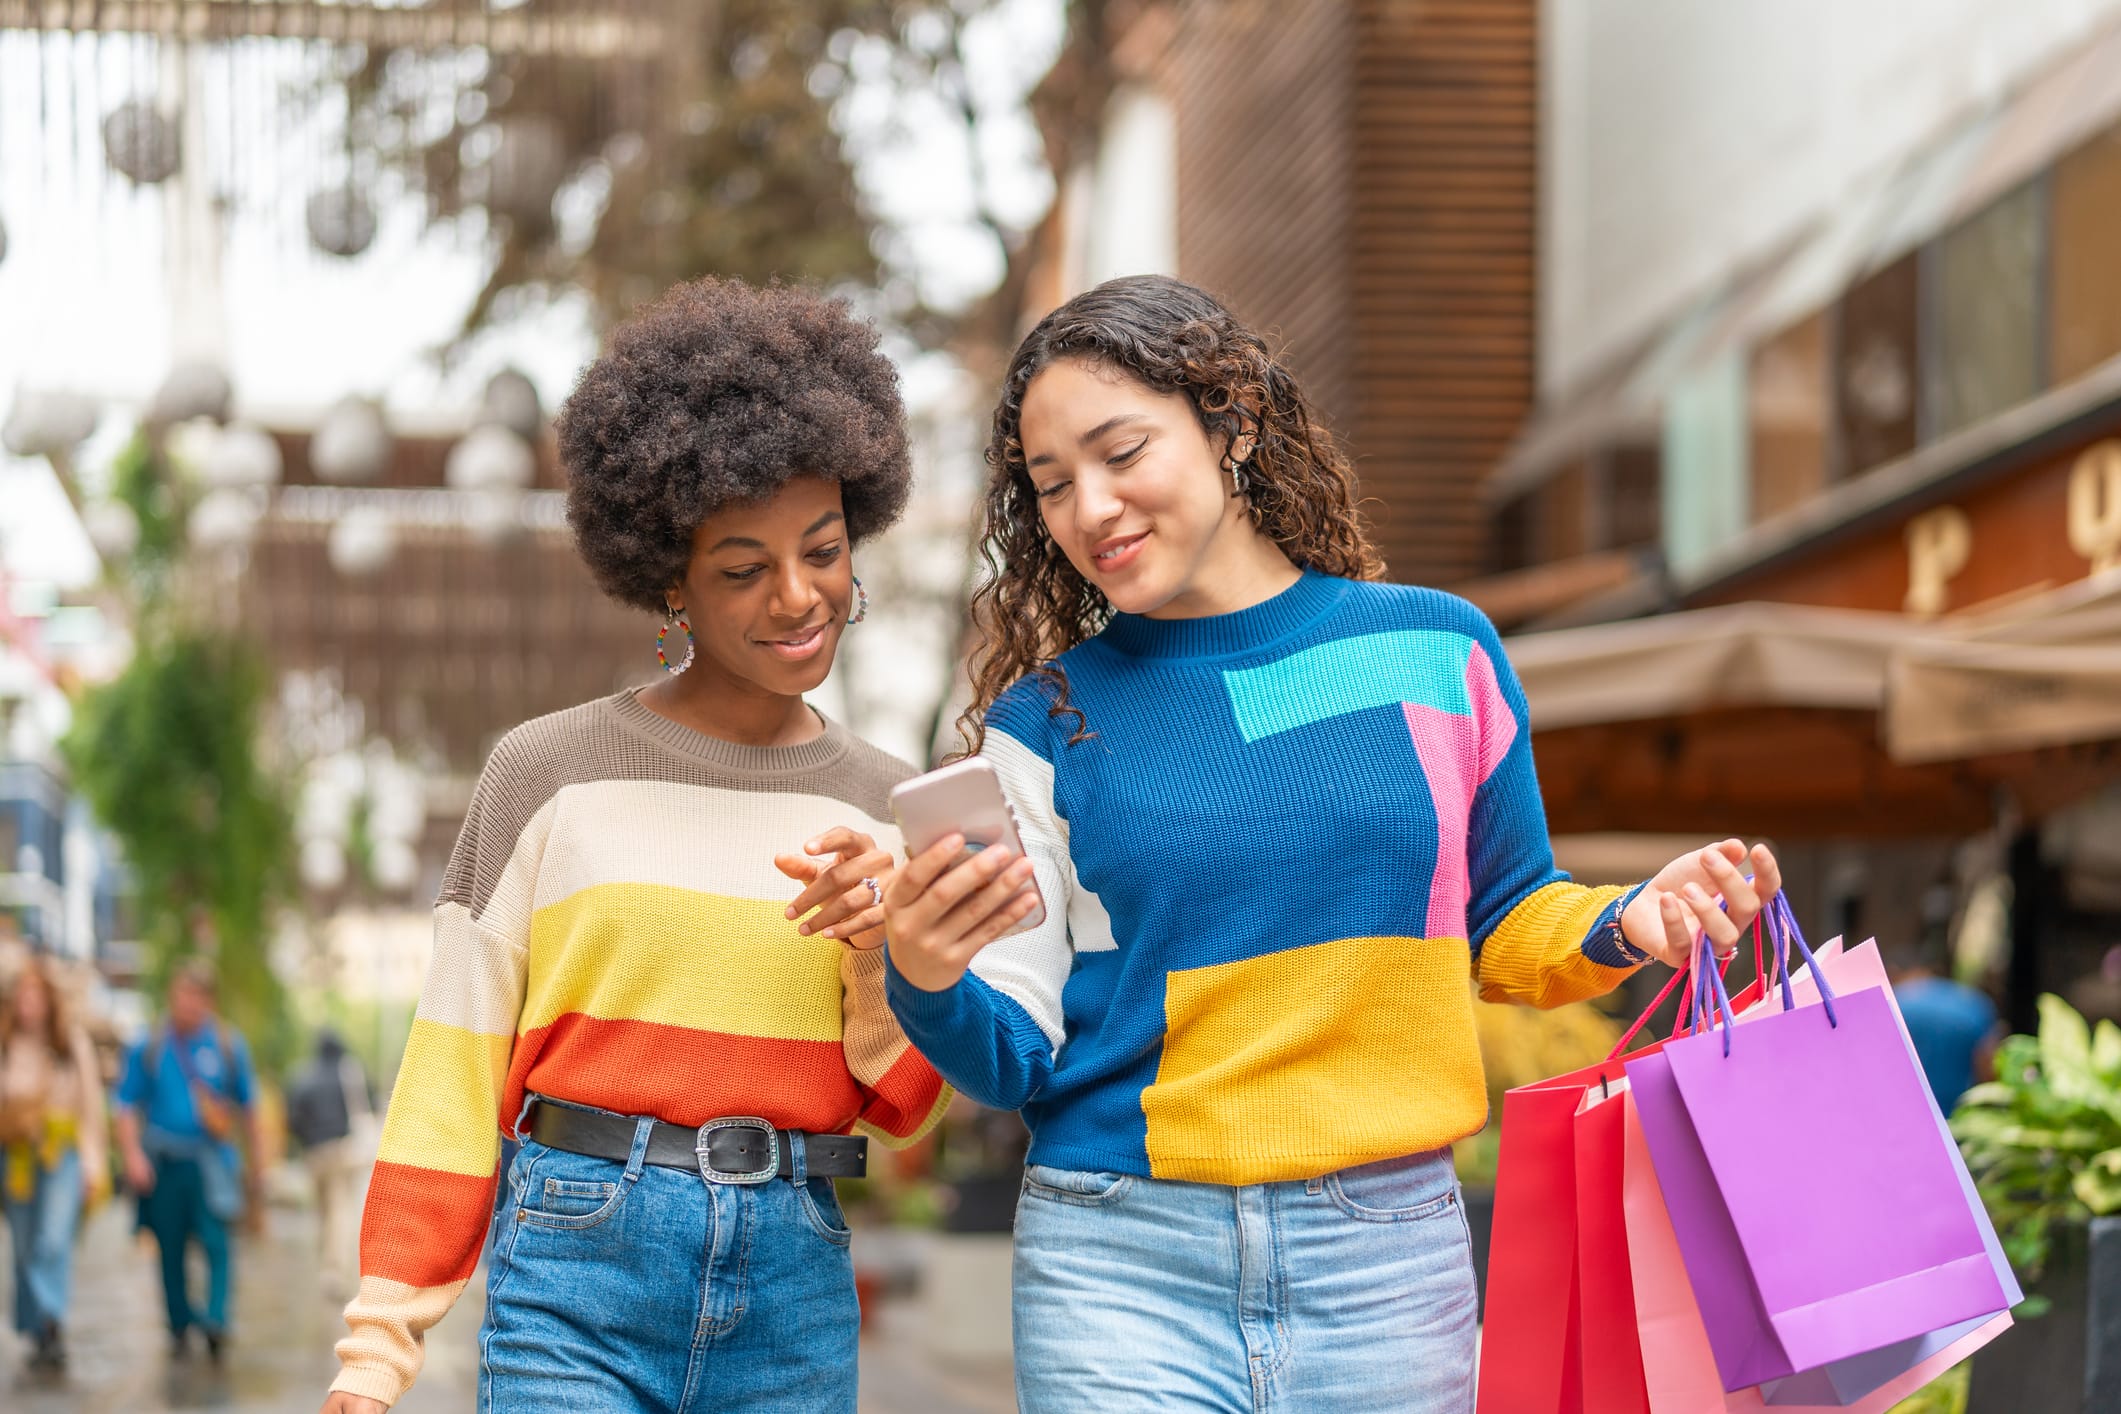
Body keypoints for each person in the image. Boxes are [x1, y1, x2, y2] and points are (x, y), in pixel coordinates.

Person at [878, 275, 1785, 1413]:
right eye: (1053, 486)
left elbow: (1504, 918)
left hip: (1387, 1261)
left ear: (1234, 425)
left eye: (1122, 453)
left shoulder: (1437, 652)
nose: (1091, 508)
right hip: (1121, 1257)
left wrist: (1625, 919)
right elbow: (1012, 1050)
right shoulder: (1045, 725)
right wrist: (923, 972)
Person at [321, 278, 950, 1414]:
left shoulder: (891, 804)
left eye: (823, 549)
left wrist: (878, 951)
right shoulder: (546, 773)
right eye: (743, 569)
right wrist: (379, 1351)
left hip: (796, 1279)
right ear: (671, 580)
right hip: (576, 1264)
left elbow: (903, 1099)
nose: (798, 597)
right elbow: (453, 1065)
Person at [114, 957, 265, 1365]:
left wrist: (259, 1164)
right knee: (170, 1247)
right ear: (172, 995)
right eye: (184, 994)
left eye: (199, 996)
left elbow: (249, 1107)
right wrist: (132, 1156)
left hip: (213, 1161)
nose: (190, 1003)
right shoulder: (149, 1045)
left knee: (217, 1242)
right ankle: (180, 1323)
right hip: (165, 1161)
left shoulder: (228, 1045)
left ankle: (215, 1320)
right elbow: (125, 1104)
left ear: (209, 1000)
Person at [1, 956, 107, 1371]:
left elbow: (91, 1107)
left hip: (61, 1151)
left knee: (52, 1237)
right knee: (24, 1246)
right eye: (22, 995)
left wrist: (93, 1161)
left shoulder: (69, 1042)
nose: (29, 1003)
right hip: (18, 1156)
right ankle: (35, 1326)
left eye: (36, 994)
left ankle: (52, 1321)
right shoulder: (8, 1043)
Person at [284, 1028, 374, 1300]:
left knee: (323, 1211)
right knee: (338, 1210)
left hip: (314, 1154)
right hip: (341, 1151)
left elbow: (292, 1119)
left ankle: (327, 1263)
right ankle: (333, 1270)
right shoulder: (348, 1075)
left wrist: (308, 1140)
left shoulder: (302, 1076)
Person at [1888, 942, 1999, 1113]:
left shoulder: (1891, 1004)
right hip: (1960, 1119)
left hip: (1904, 1117)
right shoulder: (1974, 1002)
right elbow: (1989, 1069)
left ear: (1894, 971)